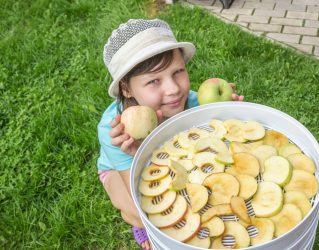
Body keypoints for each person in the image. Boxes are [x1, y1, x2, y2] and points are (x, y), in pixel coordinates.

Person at [97, 19, 244, 250]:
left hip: (178, 158)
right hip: (121, 169)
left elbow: (220, 143)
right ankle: (137, 225)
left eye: (178, 72)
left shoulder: (195, 103)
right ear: (126, 88)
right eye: (154, 80)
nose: (173, 89)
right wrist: (140, 152)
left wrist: (228, 112)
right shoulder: (116, 131)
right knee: (136, 211)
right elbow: (138, 191)